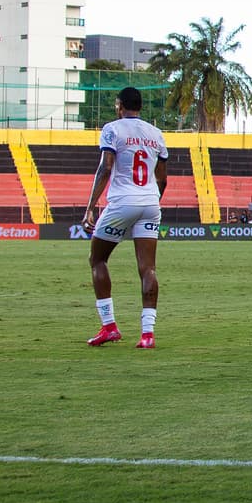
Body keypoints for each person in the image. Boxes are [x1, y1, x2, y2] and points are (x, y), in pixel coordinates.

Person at [82, 86, 169, 349]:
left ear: (120, 106)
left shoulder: (113, 128)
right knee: (147, 268)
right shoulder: (156, 134)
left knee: (97, 258)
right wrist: (152, 201)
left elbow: (106, 167)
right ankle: (147, 334)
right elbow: (162, 178)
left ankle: (109, 326)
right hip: (150, 202)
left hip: (122, 202)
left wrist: (90, 207)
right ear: (140, 106)